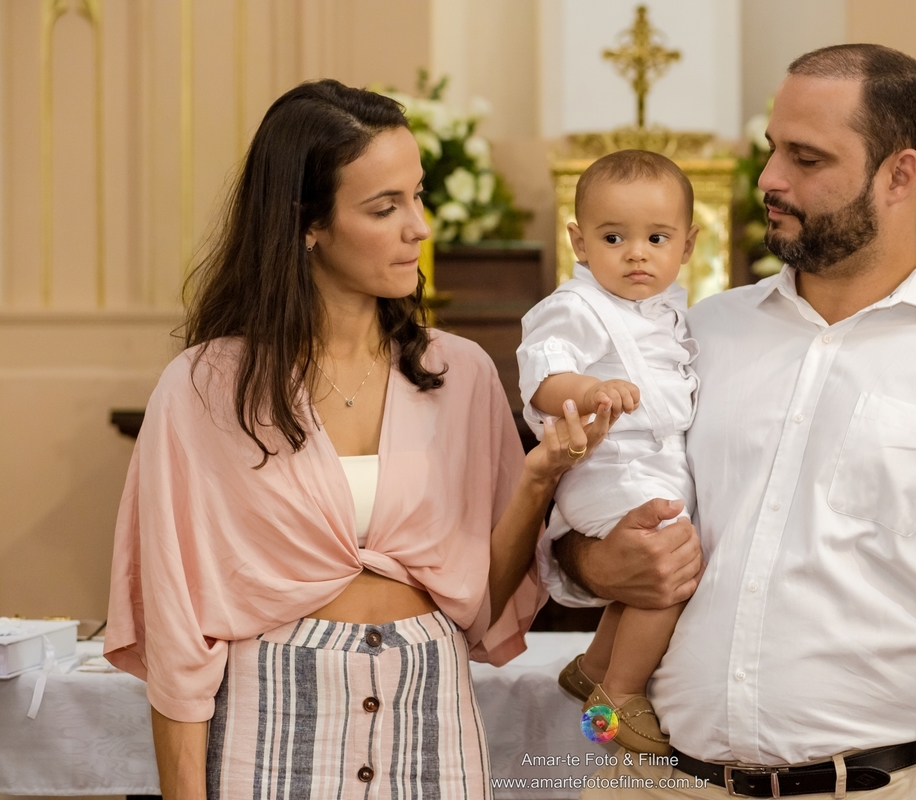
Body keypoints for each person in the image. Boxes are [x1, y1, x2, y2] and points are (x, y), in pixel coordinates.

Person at [543, 44, 916, 800]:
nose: (770, 179)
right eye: (773, 149)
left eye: (806, 158)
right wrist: (592, 563)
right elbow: (587, 524)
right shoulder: (691, 336)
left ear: (899, 174)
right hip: (649, 780)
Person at [104, 79, 613, 799]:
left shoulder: (458, 374)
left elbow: (482, 605)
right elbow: (179, 630)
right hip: (270, 726)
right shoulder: (205, 388)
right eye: (385, 207)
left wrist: (537, 479)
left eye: (418, 195)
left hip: (433, 713)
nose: (421, 227)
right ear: (306, 223)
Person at [517, 150, 700, 756]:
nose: (637, 253)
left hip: (652, 465)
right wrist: (589, 391)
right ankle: (619, 695)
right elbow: (542, 375)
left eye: (657, 237)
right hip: (604, 464)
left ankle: (594, 665)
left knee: (651, 572)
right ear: (578, 240)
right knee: (667, 567)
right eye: (614, 237)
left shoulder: (670, 311)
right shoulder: (576, 305)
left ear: (689, 244)